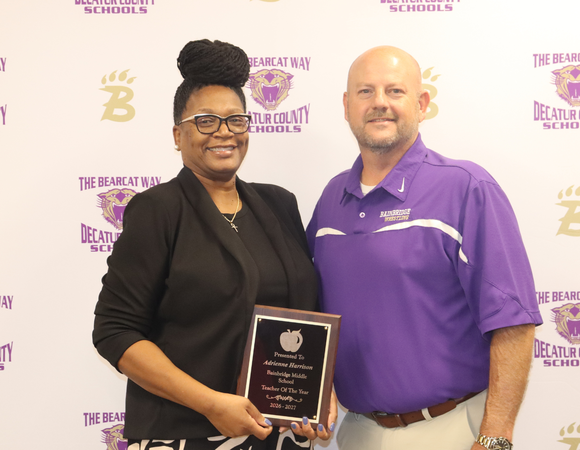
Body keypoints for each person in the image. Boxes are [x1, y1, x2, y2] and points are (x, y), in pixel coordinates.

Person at [93, 39, 333, 450]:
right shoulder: (157, 210)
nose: (223, 132)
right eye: (205, 121)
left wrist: (315, 396)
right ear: (177, 133)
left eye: (235, 120)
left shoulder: (279, 203)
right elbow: (114, 331)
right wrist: (209, 403)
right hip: (185, 434)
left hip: (280, 436)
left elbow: (305, 319)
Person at [306, 46, 543, 450]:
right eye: (365, 92)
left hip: (449, 428)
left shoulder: (466, 187)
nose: (379, 103)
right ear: (347, 107)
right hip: (357, 431)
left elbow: (513, 323)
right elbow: (312, 311)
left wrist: (495, 438)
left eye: (394, 91)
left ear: (422, 104)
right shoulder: (332, 199)